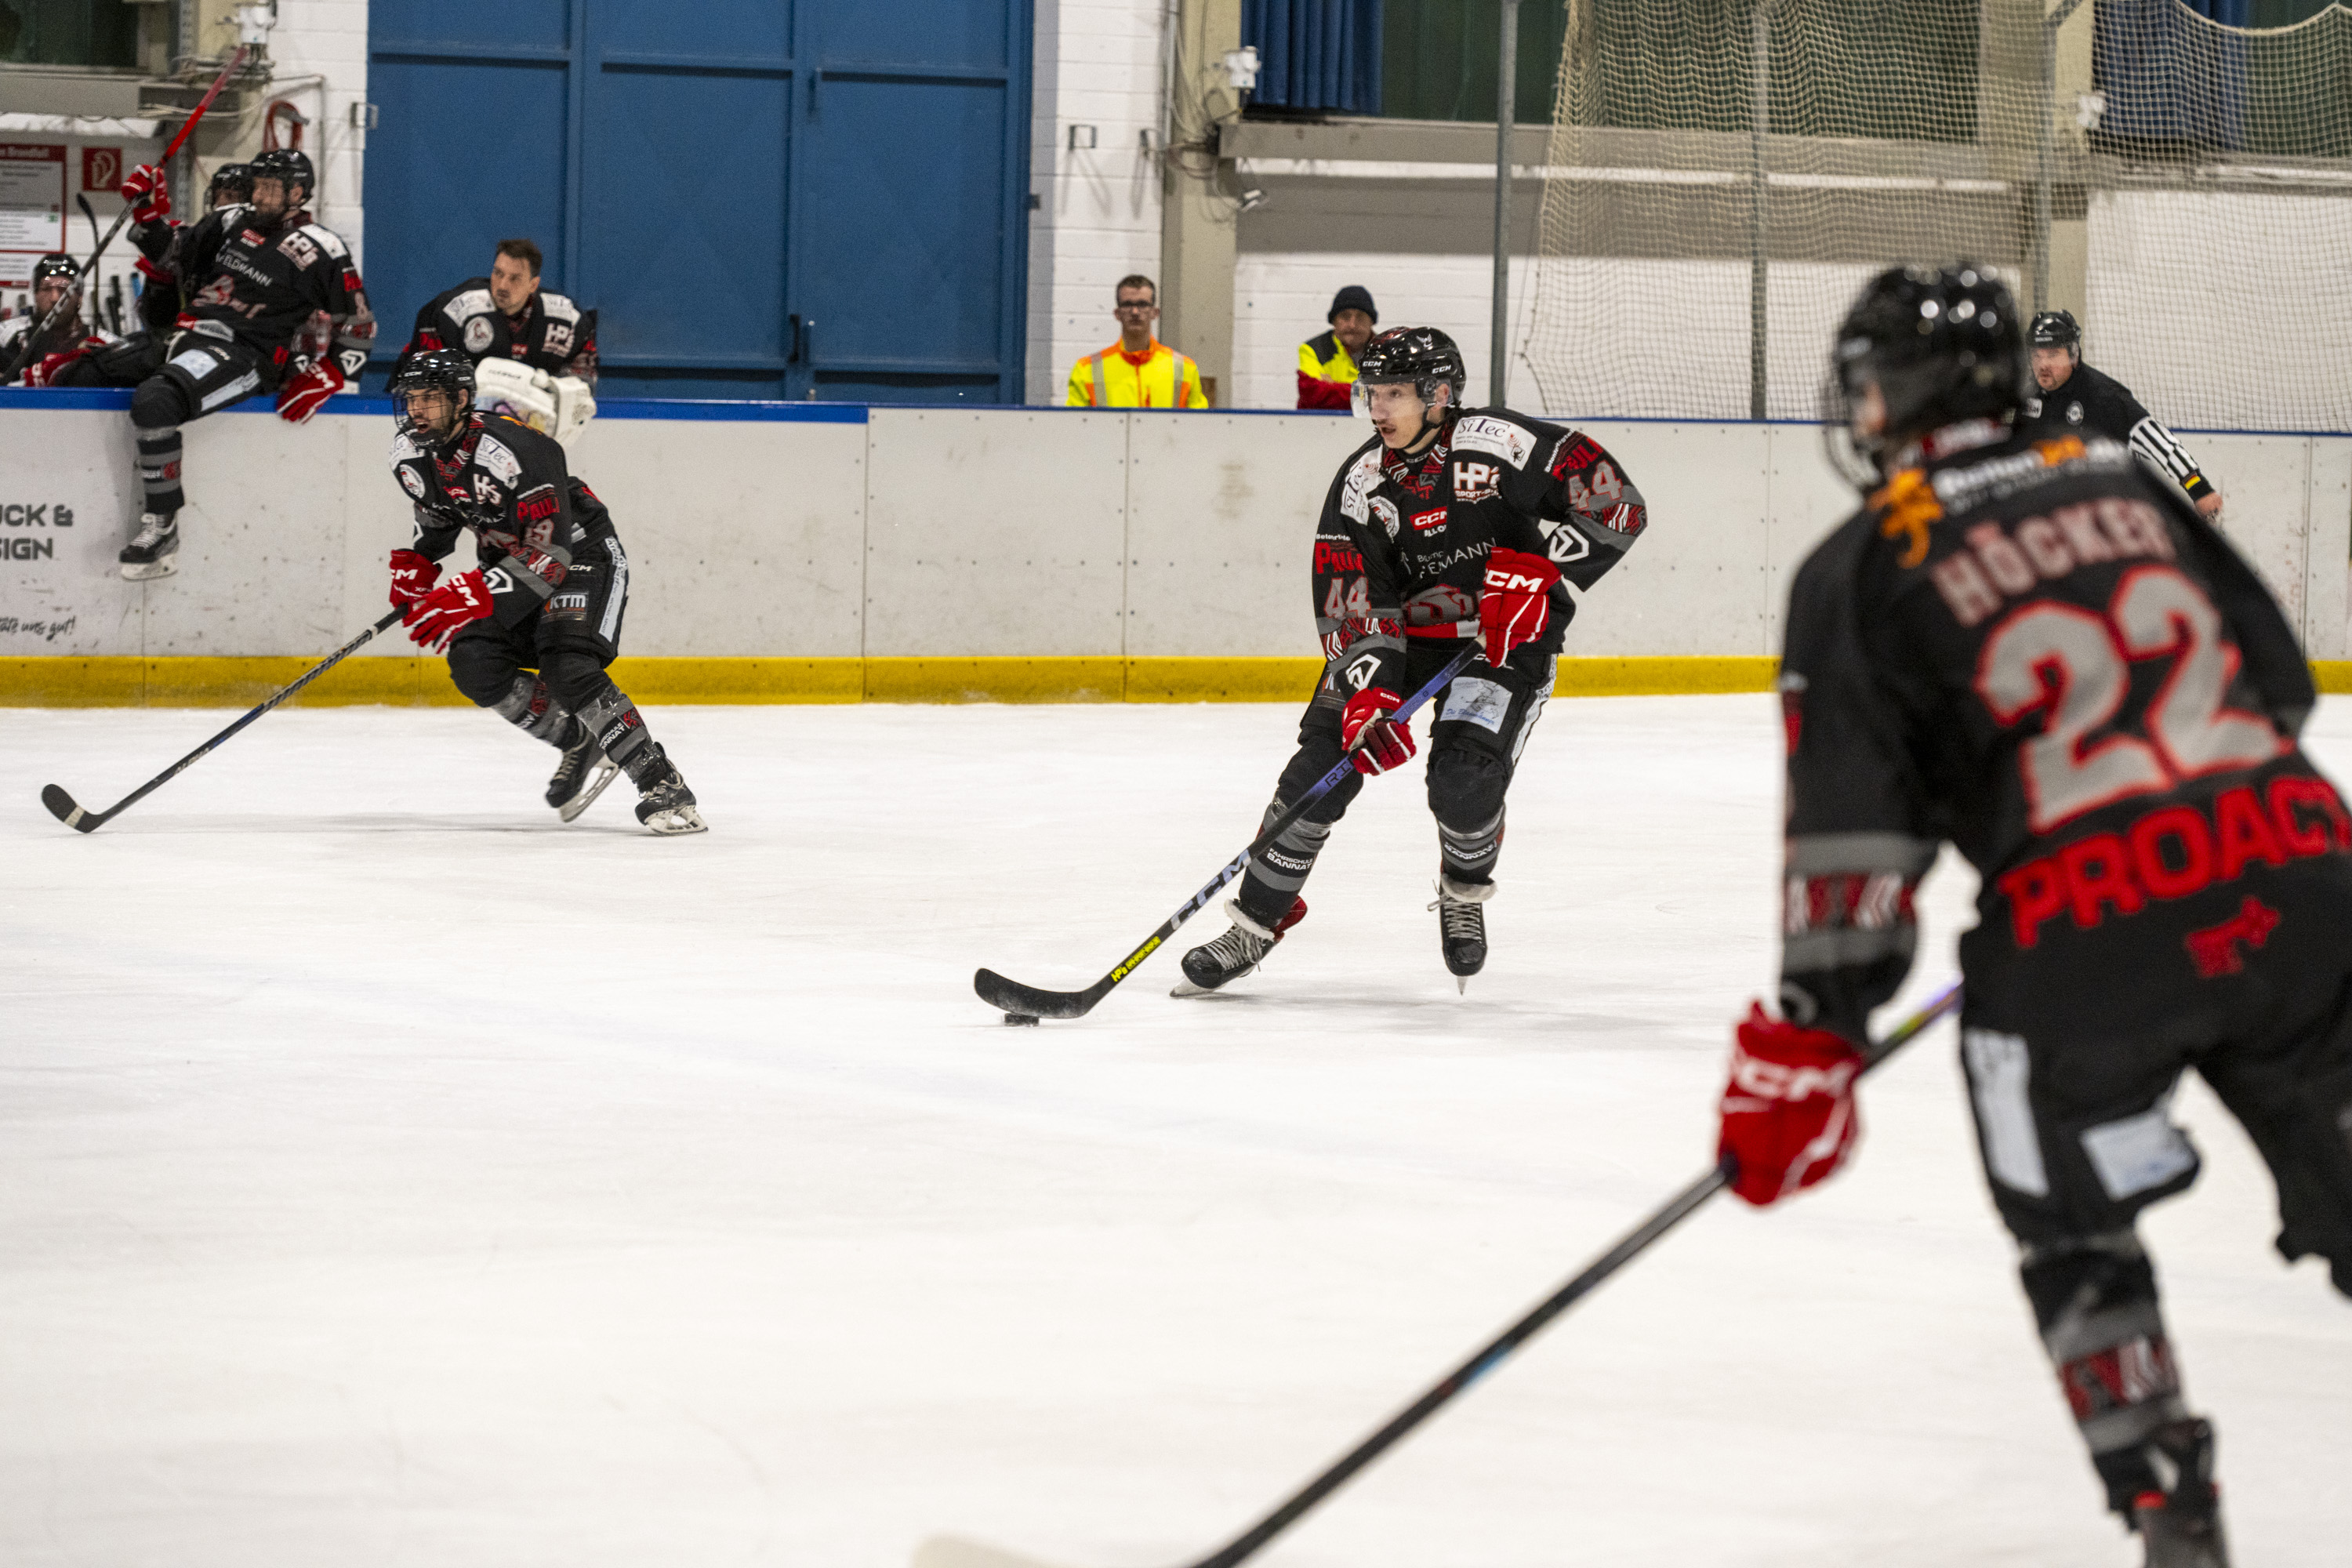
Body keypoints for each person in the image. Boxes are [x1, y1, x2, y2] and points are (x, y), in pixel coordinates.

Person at [1714, 263, 2352, 1568]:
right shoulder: (2120, 480)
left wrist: (1817, 1036)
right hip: (2301, 875)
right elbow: (2279, 687)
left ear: (1898, 396)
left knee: (2069, 1222)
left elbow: (1853, 847)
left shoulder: (1862, 561)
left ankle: (2169, 1494)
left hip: (2086, 942)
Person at [1176, 326, 1648, 993]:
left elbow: (1617, 505)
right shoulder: (1362, 482)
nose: (1377, 408)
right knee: (1321, 768)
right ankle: (1254, 925)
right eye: (1371, 392)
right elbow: (1352, 596)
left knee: (1463, 779)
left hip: (1505, 639)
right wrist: (1368, 697)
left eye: (1394, 393)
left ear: (1439, 395)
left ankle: (1464, 887)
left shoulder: (1504, 444)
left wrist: (1540, 571)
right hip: (1405, 644)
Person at [385, 348, 703, 836]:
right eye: (412, 399)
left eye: (431, 398)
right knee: (474, 661)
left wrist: (470, 593)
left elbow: (549, 557)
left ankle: (660, 779)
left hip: (580, 557)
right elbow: (438, 522)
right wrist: (418, 566)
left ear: (462, 400)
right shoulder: (411, 457)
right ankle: (578, 739)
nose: (417, 410)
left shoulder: (519, 450)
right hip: (516, 566)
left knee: (567, 665)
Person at [61, 147, 374, 580]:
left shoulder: (320, 248)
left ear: (298, 193)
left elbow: (360, 324)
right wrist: (148, 214)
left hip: (245, 353)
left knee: (155, 402)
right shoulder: (231, 220)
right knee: (78, 371)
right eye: (257, 186)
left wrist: (332, 373)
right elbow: (173, 257)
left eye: (270, 188)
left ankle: (162, 526)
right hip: (187, 335)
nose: (259, 196)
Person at [2019, 310, 2224, 519]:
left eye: (2053, 355)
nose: (2043, 365)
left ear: (2073, 355)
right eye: (2037, 355)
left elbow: (2158, 441)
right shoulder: (2025, 395)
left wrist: (2199, 489)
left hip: (2111, 510)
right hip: (2054, 512)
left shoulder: (2104, 396)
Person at [403, 238, 599, 386]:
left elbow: (582, 384)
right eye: (498, 273)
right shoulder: (454, 312)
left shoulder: (568, 317)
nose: (503, 285)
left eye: (515, 278)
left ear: (533, 284)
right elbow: (424, 376)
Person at [1063, 275, 1208, 408]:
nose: (1135, 312)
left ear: (1155, 313)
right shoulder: (1086, 370)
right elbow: (1075, 428)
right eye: (1127, 305)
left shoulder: (1185, 369)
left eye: (1142, 304)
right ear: (1117, 314)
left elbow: (1198, 426)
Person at [3, 253, 114, 383]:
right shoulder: (5, 336)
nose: (55, 298)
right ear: (35, 294)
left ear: (79, 296)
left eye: (63, 289)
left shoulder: (104, 344)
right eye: (46, 288)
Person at [1296, 284, 1377, 410]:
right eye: (1345, 316)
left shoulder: (1389, 353)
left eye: (1360, 317)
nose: (1352, 325)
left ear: (1371, 322)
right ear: (1333, 321)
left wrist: (1333, 387)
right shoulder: (1313, 350)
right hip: (1321, 428)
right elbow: (1313, 396)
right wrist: (1372, 392)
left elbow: (1398, 400)